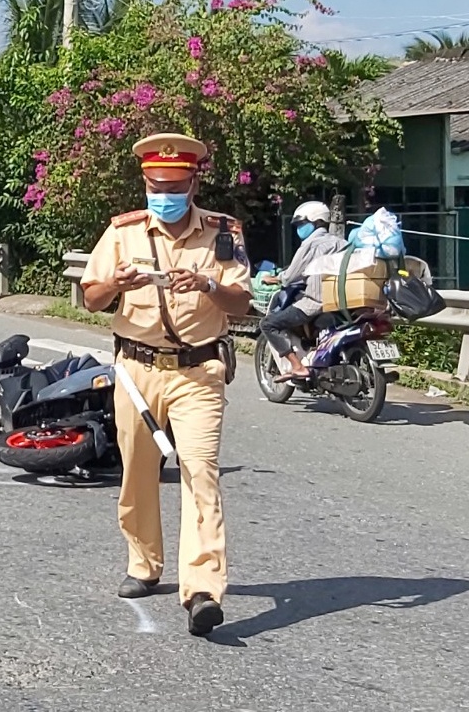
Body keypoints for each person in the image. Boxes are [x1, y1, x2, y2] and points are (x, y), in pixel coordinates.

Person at [79, 132, 252, 637]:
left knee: (201, 473)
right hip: (136, 371)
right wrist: (118, 285)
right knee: (137, 471)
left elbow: (241, 304)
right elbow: (90, 298)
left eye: (175, 184)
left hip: (199, 372)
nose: (164, 193)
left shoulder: (222, 233)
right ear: (145, 181)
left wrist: (209, 285)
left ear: (194, 181)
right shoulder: (123, 233)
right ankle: (144, 562)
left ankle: (202, 589)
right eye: (156, 184)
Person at [258, 201, 347, 380]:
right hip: (342, 302)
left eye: (301, 224)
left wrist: (275, 278)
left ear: (315, 221)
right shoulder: (342, 243)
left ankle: (297, 366)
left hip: (316, 302)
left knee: (268, 324)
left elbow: (291, 276)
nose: (299, 229)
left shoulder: (311, 244)